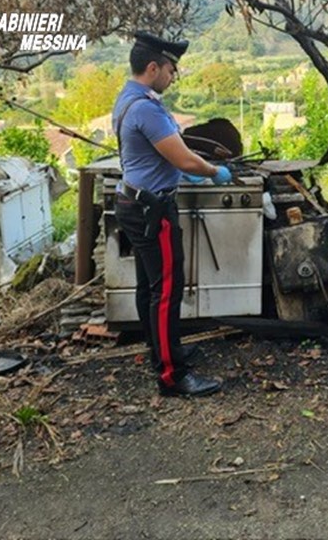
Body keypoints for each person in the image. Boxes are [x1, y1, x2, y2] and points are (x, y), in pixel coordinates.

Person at [112, 31, 233, 398]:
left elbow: (159, 156)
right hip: (152, 209)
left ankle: (161, 350)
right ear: (153, 68)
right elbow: (182, 157)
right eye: (171, 69)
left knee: (150, 287)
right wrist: (212, 171)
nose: (173, 76)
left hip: (133, 201)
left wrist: (182, 170)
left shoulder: (127, 97)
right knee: (166, 291)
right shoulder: (147, 107)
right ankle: (171, 375)